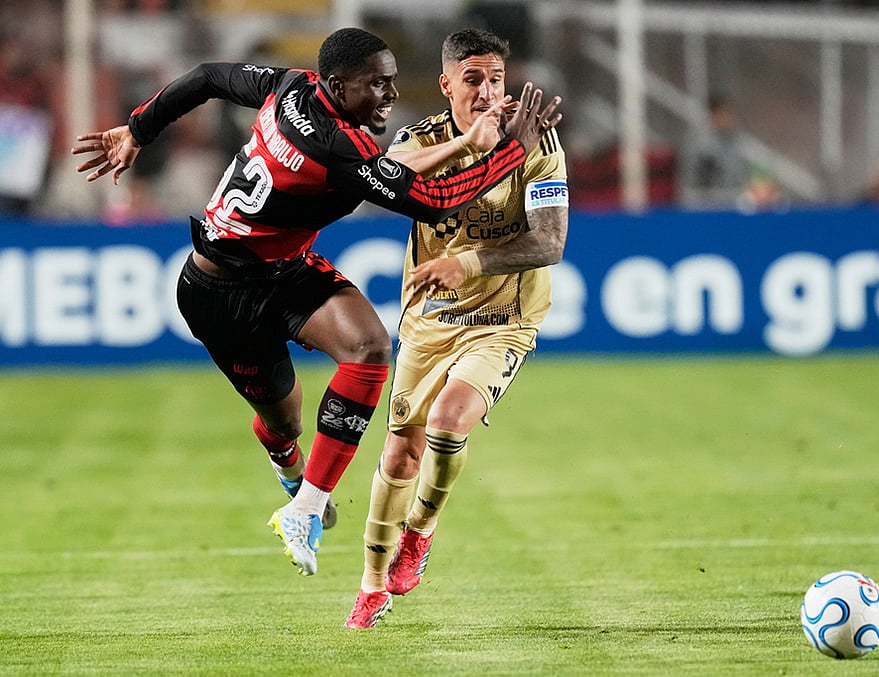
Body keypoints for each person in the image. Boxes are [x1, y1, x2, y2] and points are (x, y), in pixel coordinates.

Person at [71, 27, 561, 578]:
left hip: (285, 268)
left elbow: (209, 76)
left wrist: (138, 128)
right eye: (378, 85)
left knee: (371, 349)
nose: (391, 95)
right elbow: (433, 201)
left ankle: (302, 508)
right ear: (340, 85)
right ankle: (289, 469)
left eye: (392, 81)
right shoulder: (336, 145)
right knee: (283, 421)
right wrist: (511, 148)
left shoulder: (292, 87)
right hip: (221, 294)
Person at [344, 28, 569, 629]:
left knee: (448, 421)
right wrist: (474, 143)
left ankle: (419, 530)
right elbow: (382, 175)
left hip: (502, 320)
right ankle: (370, 586)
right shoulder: (422, 139)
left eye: (496, 78)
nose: (488, 90)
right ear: (446, 85)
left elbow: (549, 241)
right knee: (398, 453)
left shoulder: (538, 143)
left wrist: (464, 261)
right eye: (473, 79)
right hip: (428, 322)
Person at [680, 93, 750, 209]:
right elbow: (693, 178)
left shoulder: (735, 141)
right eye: (724, 114)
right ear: (714, 115)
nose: (728, 118)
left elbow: (741, 173)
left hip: (732, 202)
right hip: (705, 204)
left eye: (729, 114)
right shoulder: (699, 143)